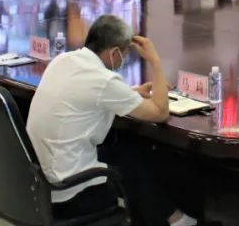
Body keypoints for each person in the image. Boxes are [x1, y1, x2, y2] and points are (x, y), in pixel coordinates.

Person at [26, 15, 197, 226]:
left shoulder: (63, 61)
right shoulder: (104, 80)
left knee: (124, 150)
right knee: (133, 161)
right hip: (71, 194)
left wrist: (130, 94)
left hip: (38, 185)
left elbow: (86, 95)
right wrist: (155, 61)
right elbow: (160, 112)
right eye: (124, 54)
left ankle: (170, 217)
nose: (124, 59)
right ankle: (173, 219)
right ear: (114, 53)